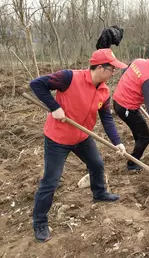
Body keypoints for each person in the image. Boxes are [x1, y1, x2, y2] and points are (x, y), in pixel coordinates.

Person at [29, 48, 127, 242]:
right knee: (51, 180)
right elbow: (36, 84)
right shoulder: (68, 77)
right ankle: (40, 223)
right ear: (100, 68)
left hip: (82, 137)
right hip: (58, 138)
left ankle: (99, 194)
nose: (114, 72)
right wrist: (55, 107)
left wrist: (118, 142)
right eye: (112, 69)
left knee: (97, 164)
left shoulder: (104, 90)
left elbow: (106, 118)